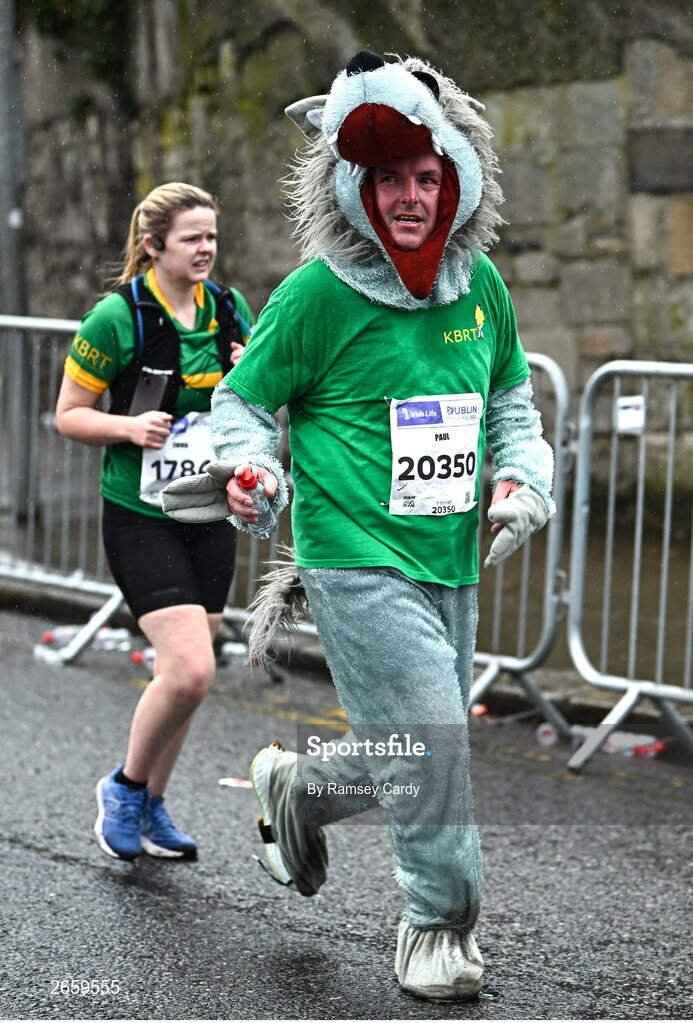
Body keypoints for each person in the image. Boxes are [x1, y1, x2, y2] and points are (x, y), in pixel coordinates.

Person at [164, 53, 554, 1001]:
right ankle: (434, 923)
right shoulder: (318, 293)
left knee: (416, 745)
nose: (410, 197)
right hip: (353, 553)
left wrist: (522, 482)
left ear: (456, 179)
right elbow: (244, 404)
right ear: (355, 184)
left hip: (451, 555)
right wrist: (248, 466)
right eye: (389, 178)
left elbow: (512, 408)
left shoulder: (481, 289)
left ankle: (299, 789)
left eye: (427, 177)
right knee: (430, 737)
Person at [55, 182, 255, 863]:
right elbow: (68, 414)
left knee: (188, 678)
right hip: (141, 515)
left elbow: (256, 404)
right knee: (192, 668)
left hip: (207, 511)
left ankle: (154, 805)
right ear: (153, 245)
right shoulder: (117, 319)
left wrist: (245, 374)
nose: (207, 249)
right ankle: (124, 787)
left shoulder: (228, 311)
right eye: (193, 238)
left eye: (213, 237)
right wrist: (127, 424)